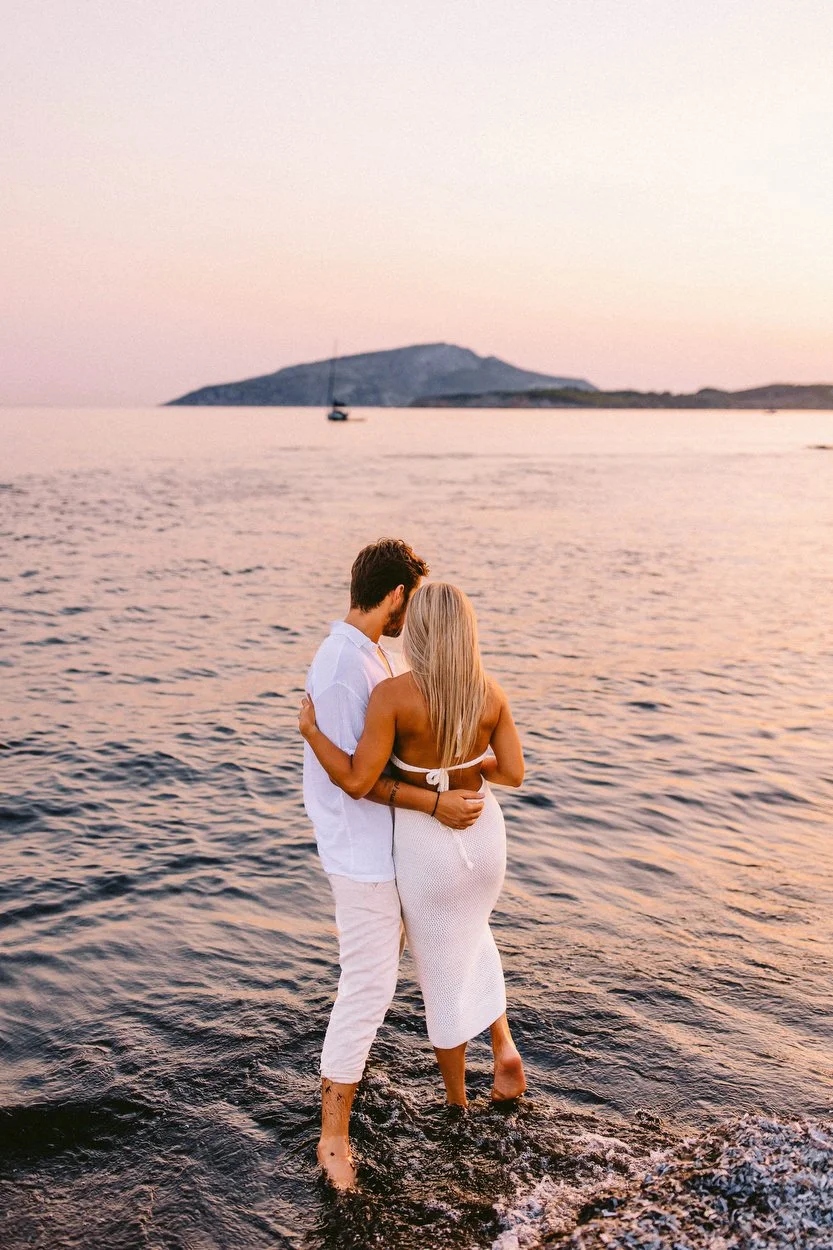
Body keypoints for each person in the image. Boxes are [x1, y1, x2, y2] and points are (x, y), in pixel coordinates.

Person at [300, 580, 526, 1128]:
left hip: (430, 849)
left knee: (439, 973)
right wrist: (465, 769)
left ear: (421, 631)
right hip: (484, 836)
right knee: (472, 935)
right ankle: (504, 1053)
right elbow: (515, 773)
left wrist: (311, 731)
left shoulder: (394, 696)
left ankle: (457, 1104)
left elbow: (357, 781)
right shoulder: (489, 692)